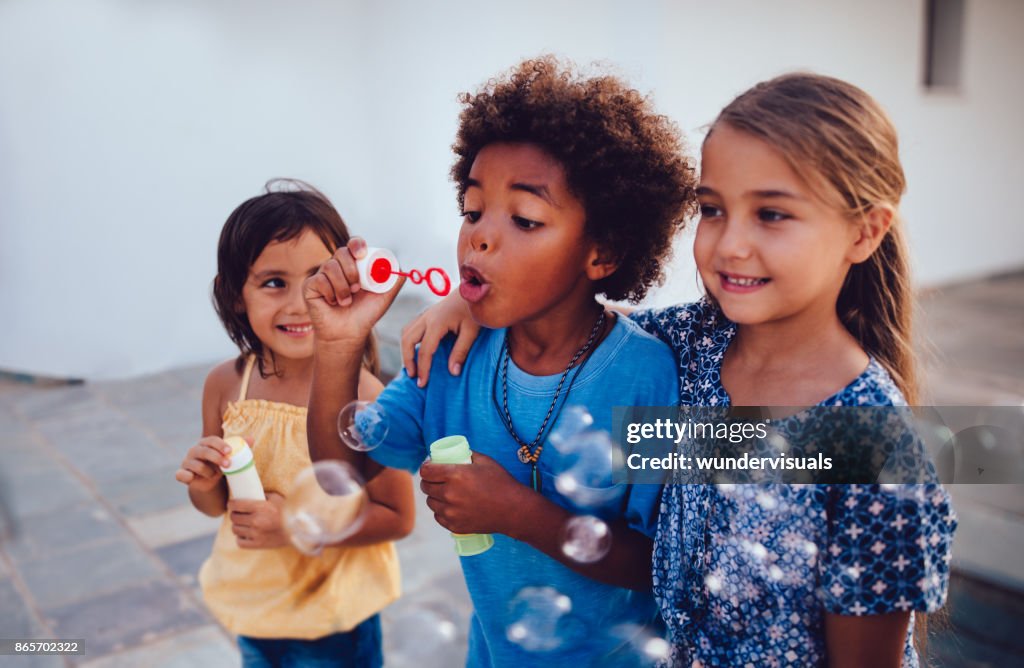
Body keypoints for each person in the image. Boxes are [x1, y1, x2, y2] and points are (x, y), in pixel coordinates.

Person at [400, 73, 957, 666]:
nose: (730, 244)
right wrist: (473, 296)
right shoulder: (689, 345)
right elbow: (565, 304)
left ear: (865, 231)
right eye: (713, 209)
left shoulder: (876, 447)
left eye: (771, 214)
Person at [302, 57, 697, 666]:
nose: (479, 237)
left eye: (525, 218)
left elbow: (658, 562)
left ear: (603, 252)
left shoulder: (642, 375)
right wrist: (336, 345)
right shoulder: (453, 356)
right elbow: (343, 469)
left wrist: (518, 512)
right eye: (472, 210)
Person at [174, 180, 414, 668]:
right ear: (235, 295)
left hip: (331, 619)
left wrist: (296, 526)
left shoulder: (366, 396)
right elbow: (217, 506)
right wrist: (203, 483)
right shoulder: (226, 385)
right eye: (273, 282)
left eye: (317, 277)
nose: (301, 301)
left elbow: (397, 517)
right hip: (253, 609)